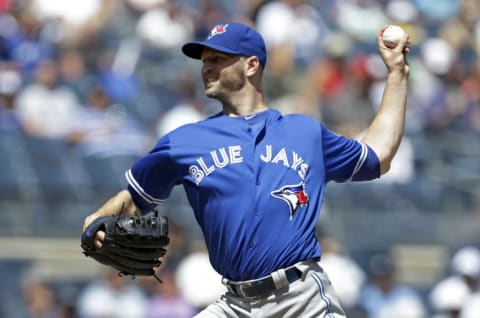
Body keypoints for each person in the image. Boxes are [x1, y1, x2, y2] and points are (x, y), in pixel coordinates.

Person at [83, 22, 410, 317]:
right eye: (205, 61)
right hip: (234, 304)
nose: (207, 68)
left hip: (301, 299)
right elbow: (133, 198)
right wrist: (96, 219)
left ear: (251, 64)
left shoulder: (304, 132)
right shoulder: (183, 141)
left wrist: (397, 74)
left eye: (218, 59)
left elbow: (378, 154)